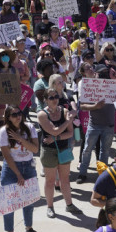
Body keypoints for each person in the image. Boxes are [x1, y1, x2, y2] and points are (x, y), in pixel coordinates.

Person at [0, 105, 41, 232]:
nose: (18, 116)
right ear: (8, 117)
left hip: (28, 166)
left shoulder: (29, 127)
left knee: (29, 201)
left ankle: (29, 229)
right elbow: (7, 156)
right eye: (14, 114)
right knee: (9, 204)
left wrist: (20, 139)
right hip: (11, 168)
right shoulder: (4, 132)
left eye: (19, 113)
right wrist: (18, 174)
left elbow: (35, 149)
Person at [37, 87, 82, 218]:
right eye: (51, 97)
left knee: (65, 179)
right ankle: (50, 207)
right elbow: (54, 130)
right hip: (48, 151)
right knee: (50, 181)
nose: (54, 100)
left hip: (63, 149)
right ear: (45, 100)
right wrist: (68, 121)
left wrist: (56, 137)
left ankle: (69, 205)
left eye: (56, 97)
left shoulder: (64, 111)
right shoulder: (42, 114)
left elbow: (70, 133)